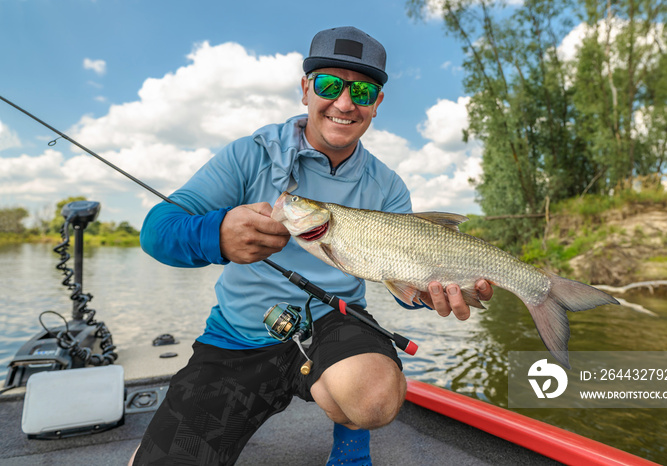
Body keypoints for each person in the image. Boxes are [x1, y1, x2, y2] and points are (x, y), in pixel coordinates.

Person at [130, 26, 492, 465]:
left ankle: (350, 453)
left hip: (336, 321)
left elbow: (404, 278)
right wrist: (217, 235)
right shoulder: (250, 154)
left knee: (375, 397)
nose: (344, 103)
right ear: (306, 90)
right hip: (239, 335)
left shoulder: (388, 186)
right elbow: (156, 231)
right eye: (328, 85)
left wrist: (428, 295)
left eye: (361, 90)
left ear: (377, 103)